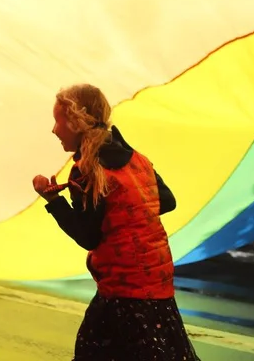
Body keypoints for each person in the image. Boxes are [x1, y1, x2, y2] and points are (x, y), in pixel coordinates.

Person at [34, 84, 200, 361]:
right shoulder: (137, 160)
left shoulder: (88, 170)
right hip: (156, 281)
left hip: (124, 290)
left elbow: (88, 237)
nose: (54, 130)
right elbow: (167, 201)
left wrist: (53, 201)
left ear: (76, 122)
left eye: (58, 121)